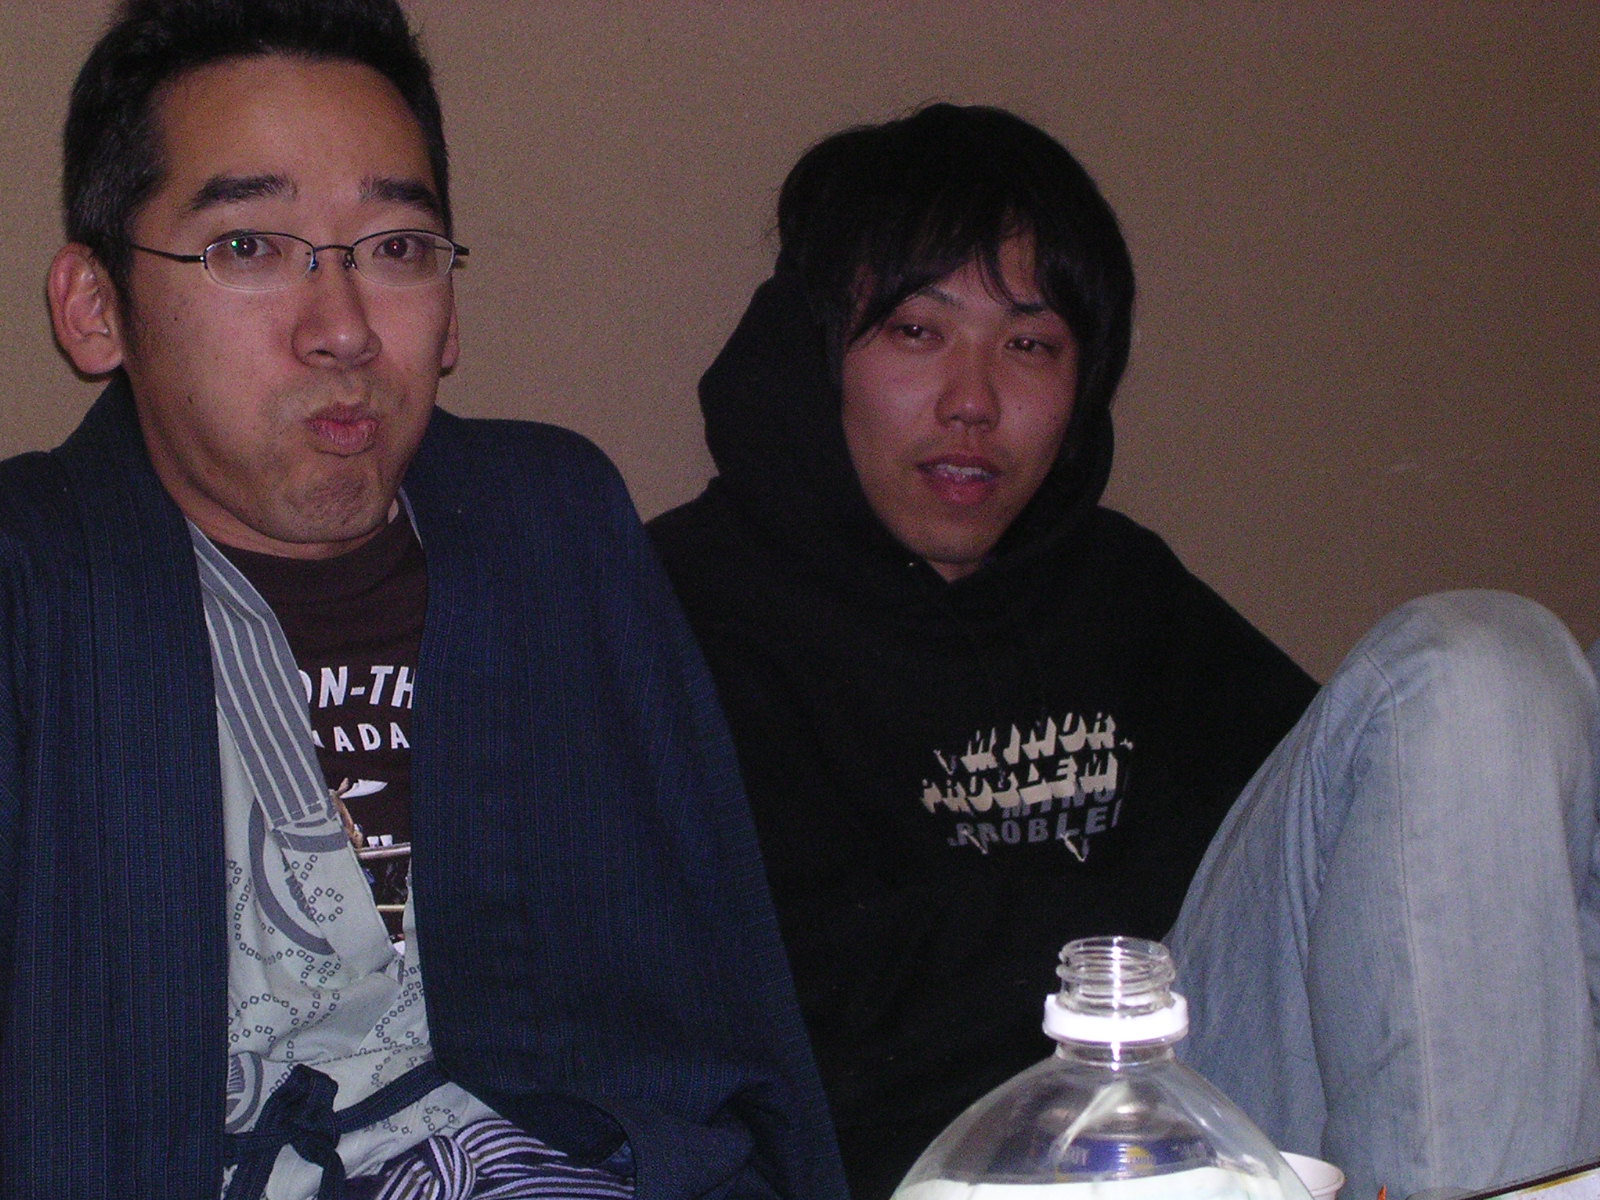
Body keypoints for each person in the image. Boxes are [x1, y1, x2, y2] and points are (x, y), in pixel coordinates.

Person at [647, 103, 1600, 1200]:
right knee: (1461, 675)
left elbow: (1345, 844)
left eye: (1030, 345)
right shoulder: (678, 611)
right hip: (942, 1160)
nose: (973, 402)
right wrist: (1127, 923)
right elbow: (801, 1007)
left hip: (1199, 1105)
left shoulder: (1118, 585)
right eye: (916, 331)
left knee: (1504, 673)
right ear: (817, 350)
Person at [0, 2, 847, 1198]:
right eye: (249, 246)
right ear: (95, 307)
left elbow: (723, 1040)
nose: (342, 329)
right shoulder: (31, 592)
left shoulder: (551, 527)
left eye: (396, 247)